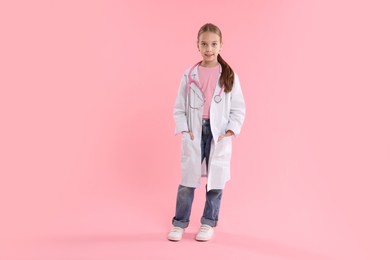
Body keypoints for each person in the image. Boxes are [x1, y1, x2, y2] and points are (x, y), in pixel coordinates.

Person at [168, 23, 246, 242]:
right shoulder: (189, 75)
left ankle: (208, 223)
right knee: (187, 181)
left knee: (216, 181)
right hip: (195, 131)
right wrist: (185, 130)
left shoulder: (229, 75)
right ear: (197, 46)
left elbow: (238, 108)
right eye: (204, 44)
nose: (208, 48)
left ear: (221, 45)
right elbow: (179, 107)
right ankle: (179, 223)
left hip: (217, 133)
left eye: (213, 44)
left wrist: (230, 130)